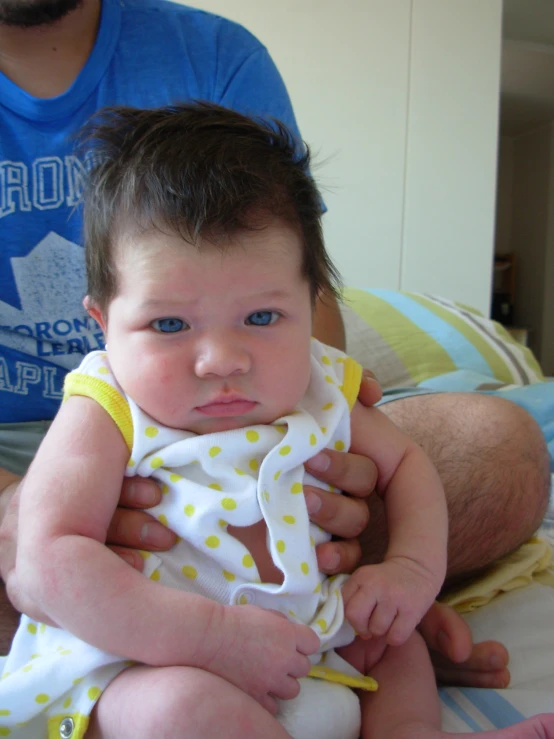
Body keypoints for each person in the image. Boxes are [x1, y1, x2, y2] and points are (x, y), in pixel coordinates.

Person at [0, 0, 549, 690]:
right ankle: (153, 638)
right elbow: (44, 559)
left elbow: (307, 305)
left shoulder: (217, 57)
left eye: (259, 318)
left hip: (262, 460)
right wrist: (29, 516)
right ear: (100, 324)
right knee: (52, 572)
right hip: (47, 480)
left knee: (501, 449)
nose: (221, 356)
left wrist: (394, 556)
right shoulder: (103, 392)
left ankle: (335, 632)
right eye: (168, 323)